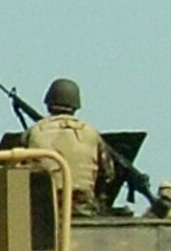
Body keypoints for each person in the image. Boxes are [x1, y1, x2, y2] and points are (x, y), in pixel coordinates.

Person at [23, 77, 114, 213]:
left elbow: (18, 173)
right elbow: (108, 174)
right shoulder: (92, 134)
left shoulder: (33, 132)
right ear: (76, 104)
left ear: (48, 102)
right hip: (83, 209)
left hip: (44, 210)